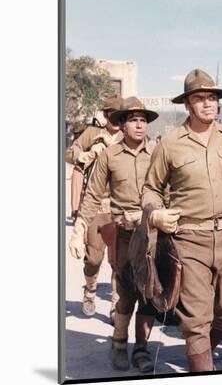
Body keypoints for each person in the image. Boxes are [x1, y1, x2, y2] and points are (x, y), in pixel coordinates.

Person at [141, 68, 222, 372]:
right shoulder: (170, 144)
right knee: (197, 321)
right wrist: (156, 214)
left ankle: (202, 354)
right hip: (189, 242)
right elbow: (151, 189)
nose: (208, 104)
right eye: (200, 99)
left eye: (212, 98)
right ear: (187, 104)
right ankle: (201, 362)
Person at [68, 96, 160, 372]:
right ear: (121, 124)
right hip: (123, 234)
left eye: (143, 120)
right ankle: (119, 342)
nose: (139, 125)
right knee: (126, 292)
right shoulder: (109, 155)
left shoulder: (157, 153)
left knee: (150, 293)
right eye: (133, 120)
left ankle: (141, 348)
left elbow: (171, 189)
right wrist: (79, 227)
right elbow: (93, 194)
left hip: (153, 235)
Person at [65, 95, 123, 318]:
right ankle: (90, 291)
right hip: (94, 204)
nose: (116, 120)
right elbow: (70, 153)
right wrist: (86, 155)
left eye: (120, 116)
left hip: (119, 205)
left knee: (119, 259)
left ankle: (116, 302)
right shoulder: (92, 133)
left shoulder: (128, 136)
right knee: (94, 257)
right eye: (111, 115)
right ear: (105, 115)